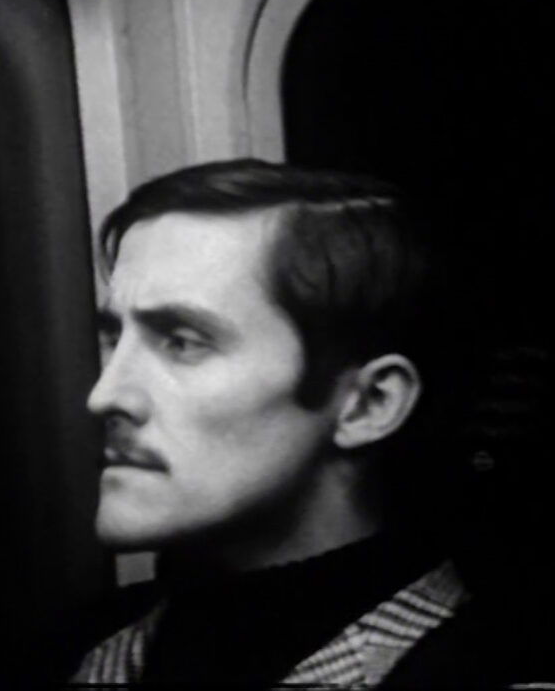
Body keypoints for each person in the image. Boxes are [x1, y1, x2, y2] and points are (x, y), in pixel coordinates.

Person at [65, 158, 503, 689]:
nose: (105, 395)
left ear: (369, 405)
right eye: (114, 337)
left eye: (183, 342)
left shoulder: (486, 666)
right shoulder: (72, 650)